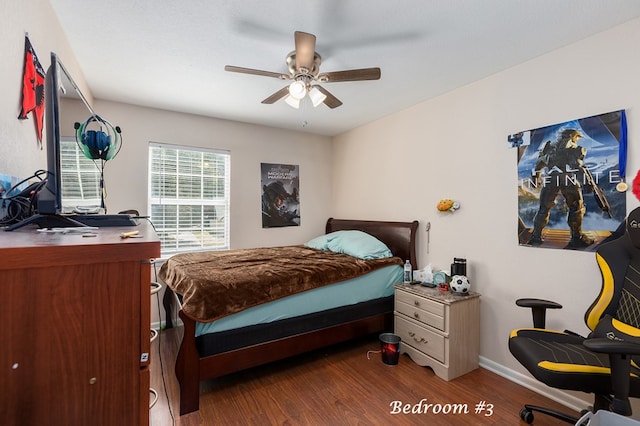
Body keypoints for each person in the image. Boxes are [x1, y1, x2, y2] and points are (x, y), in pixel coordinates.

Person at [529, 128, 594, 248]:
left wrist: (535, 179)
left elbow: (538, 166)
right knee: (576, 208)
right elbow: (577, 167)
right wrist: (587, 183)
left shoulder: (548, 149)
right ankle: (576, 238)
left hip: (550, 180)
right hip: (568, 180)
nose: (577, 140)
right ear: (572, 136)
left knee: (543, 209)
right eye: (576, 137)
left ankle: (535, 237)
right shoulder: (575, 149)